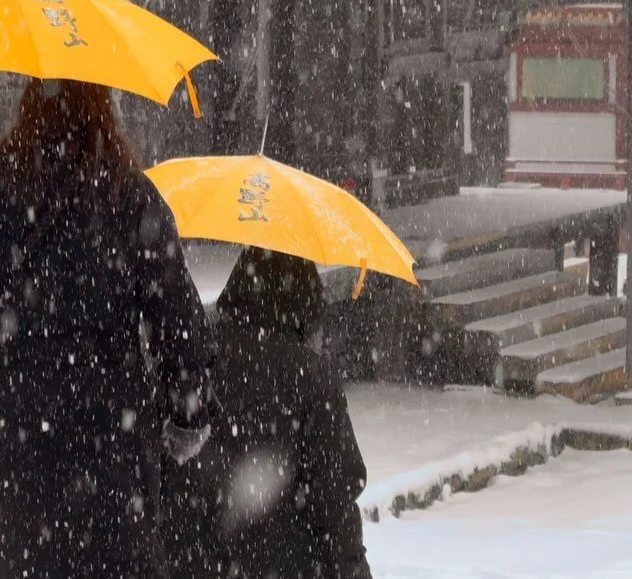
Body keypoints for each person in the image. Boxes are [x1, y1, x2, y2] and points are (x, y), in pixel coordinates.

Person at [0, 79, 214, 578]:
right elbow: (179, 324)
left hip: (19, 446)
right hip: (113, 455)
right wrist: (187, 414)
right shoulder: (129, 196)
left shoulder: (5, 192)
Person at [163, 246, 373, 579]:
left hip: (194, 562)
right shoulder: (311, 379)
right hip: (284, 565)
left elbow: (167, 473)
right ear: (307, 302)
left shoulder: (196, 363)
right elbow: (334, 500)